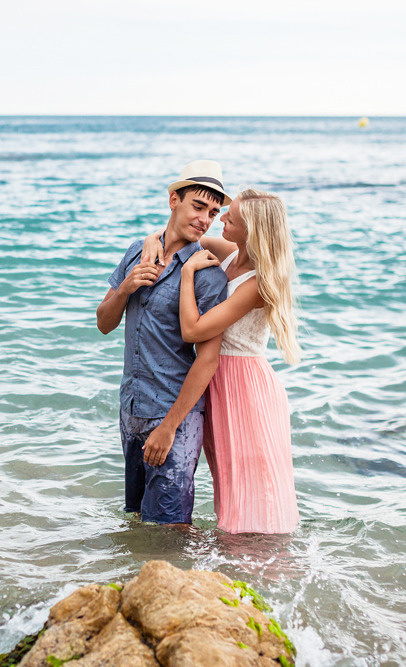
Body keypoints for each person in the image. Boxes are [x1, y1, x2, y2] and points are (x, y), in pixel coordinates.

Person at [142, 188, 301, 533]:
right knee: (227, 481)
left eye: (232, 217)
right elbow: (176, 234)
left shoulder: (258, 282)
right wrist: (150, 239)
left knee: (255, 487)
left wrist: (187, 276)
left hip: (245, 387)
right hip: (217, 381)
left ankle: (263, 568)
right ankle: (233, 566)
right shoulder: (229, 252)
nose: (222, 217)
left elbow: (194, 330)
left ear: (252, 230)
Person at [96, 160, 230, 525]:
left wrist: (169, 426)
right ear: (174, 200)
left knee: (169, 529)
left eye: (214, 213)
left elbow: (208, 360)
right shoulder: (138, 250)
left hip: (173, 417)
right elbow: (104, 323)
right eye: (198, 207)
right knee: (137, 522)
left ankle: (189, 582)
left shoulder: (207, 275)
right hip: (132, 408)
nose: (205, 219)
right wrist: (126, 287)